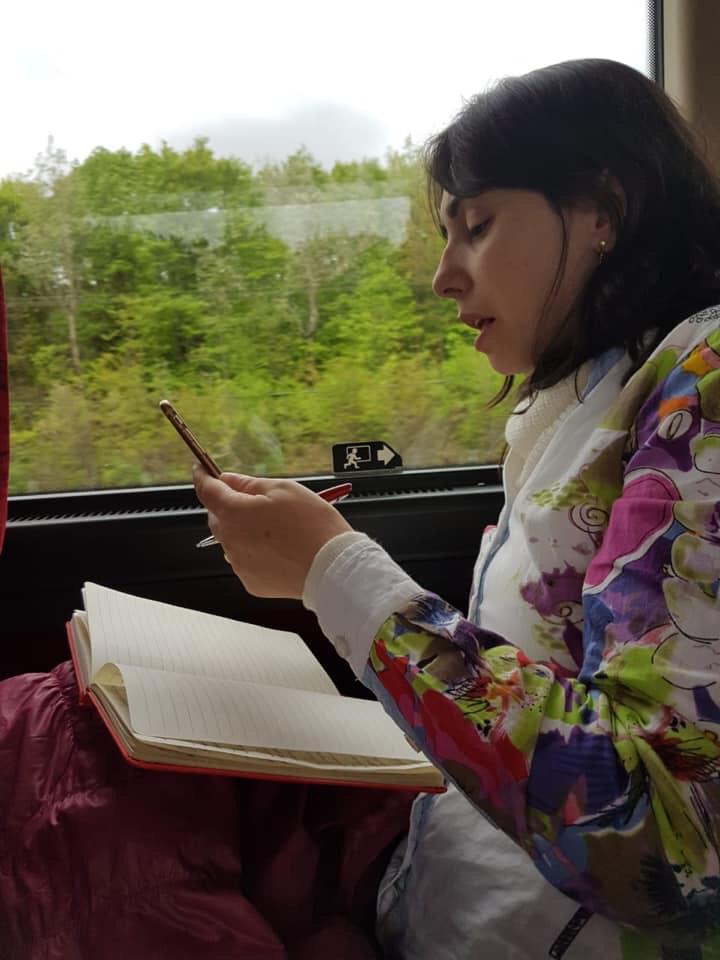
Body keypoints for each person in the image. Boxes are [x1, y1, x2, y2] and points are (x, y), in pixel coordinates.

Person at [193, 58, 720, 960]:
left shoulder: (701, 388)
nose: (443, 277)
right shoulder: (579, 404)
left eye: (476, 227)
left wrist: (338, 575)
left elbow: (666, 838)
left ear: (604, 209)